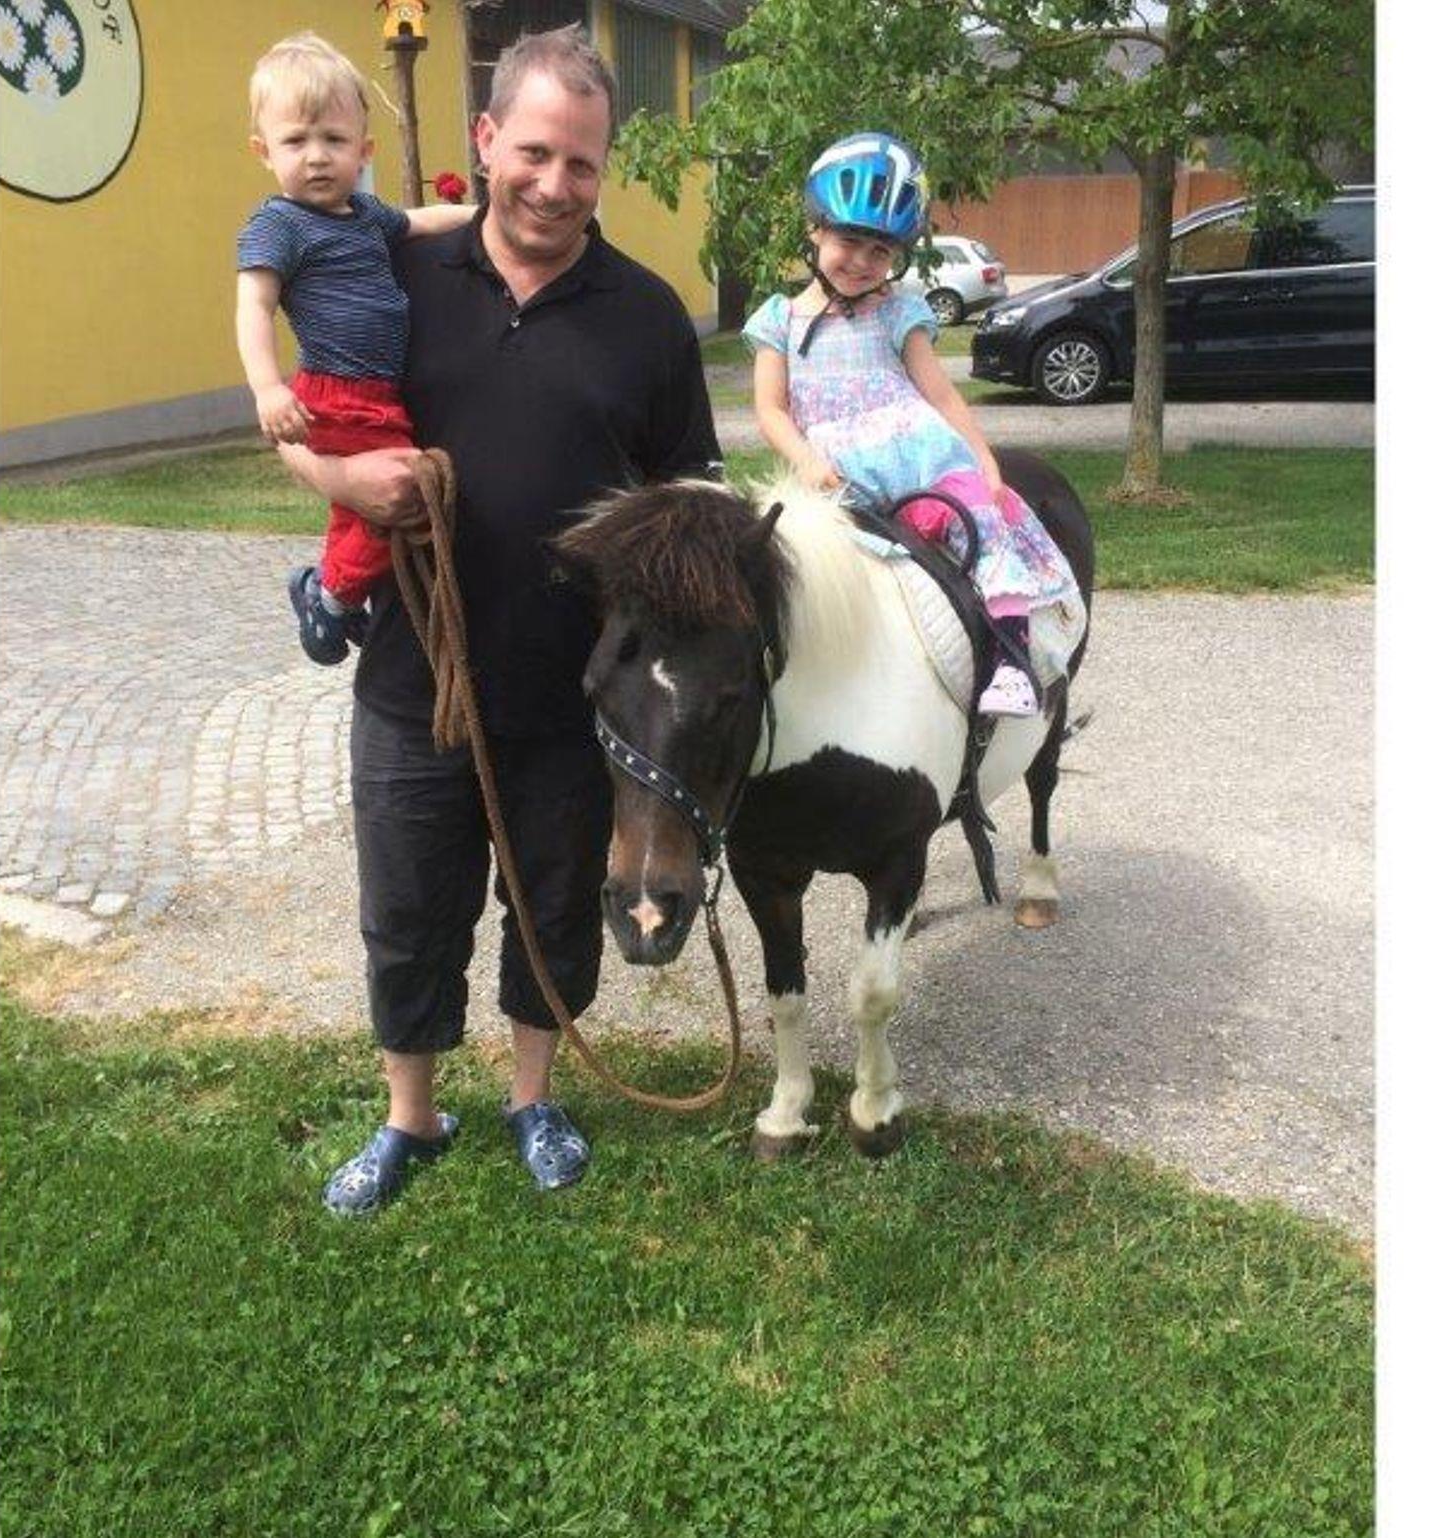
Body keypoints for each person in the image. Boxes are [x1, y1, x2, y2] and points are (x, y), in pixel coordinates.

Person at [273, 26, 721, 1215]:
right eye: (532, 152)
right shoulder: (396, 276)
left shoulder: (649, 317)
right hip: (412, 679)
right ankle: (409, 1116)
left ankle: (532, 1096)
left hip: (575, 697)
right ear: (484, 139)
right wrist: (345, 482)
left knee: (554, 910)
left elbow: (690, 501)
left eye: (581, 163)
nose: (553, 184)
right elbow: (311, 418)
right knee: (407, 910)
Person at [745, 133, 1086, 716]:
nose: (861, 262)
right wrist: (805, 460)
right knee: (793, 568)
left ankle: (1009, 658)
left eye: (880, 251)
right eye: (849, 242)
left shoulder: (899, 310)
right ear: (815, 231)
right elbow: (771, 408)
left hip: (921, 459)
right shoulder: (778, 319)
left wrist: (982, 458)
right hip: (834, 475)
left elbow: (941, 393)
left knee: (980, 523)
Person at [234, 32, 472, 667]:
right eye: (296, 141)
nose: (317, 157)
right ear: (263, 150)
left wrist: (485, 214)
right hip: (334, 391)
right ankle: (333, 597)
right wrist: (267, 388)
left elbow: (420, 221)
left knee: (365, 505)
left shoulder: (366, 215)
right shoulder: (277, 225)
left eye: (334, 141)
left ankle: (333, 585)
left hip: (378, 391)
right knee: (398, 492)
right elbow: (253, 307)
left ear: (364, 150)